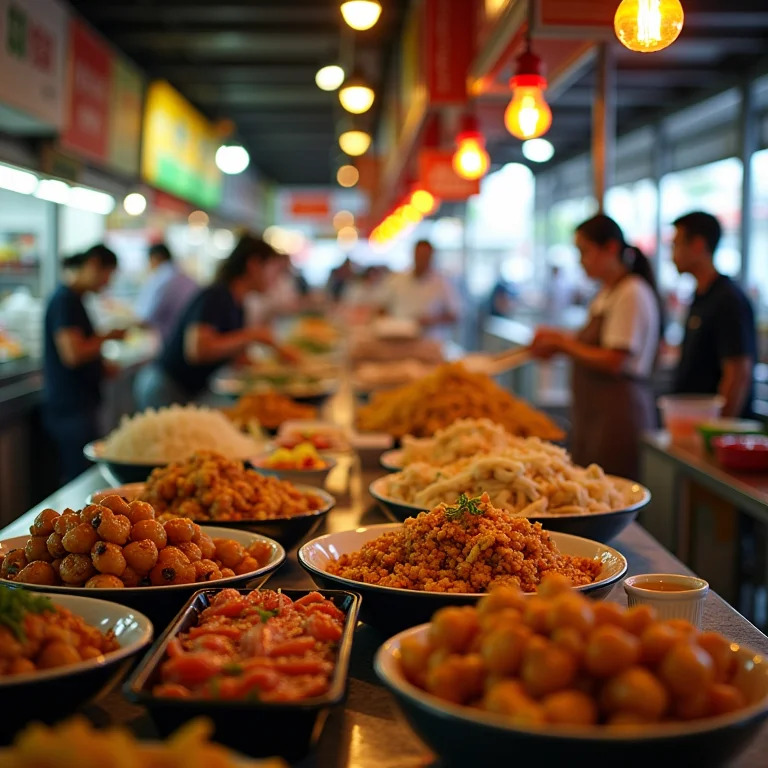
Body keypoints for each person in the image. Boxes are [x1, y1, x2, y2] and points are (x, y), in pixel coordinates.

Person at [531, 214, 662, 480]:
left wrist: (562, 344)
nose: (581, 261)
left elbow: (615, 360)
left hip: (618, 417)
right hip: (596, 414)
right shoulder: (607, 292)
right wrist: (555, 340)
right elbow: (589, 343)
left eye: (585, 252)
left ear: (611, 248)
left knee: (613, 492)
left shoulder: (632, 293)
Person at [134, 234, 297, 409]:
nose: (276, 279)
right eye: (274, 270)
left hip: (186, 389)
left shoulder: (237, 303)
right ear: (254, 265)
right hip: (166, 387)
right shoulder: (217, 296)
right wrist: (253, 336)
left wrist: (276, 371)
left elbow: (235, 358)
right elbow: (197, 350)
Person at [43, 244, 125, 482]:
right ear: (93, 265)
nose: (106, 284)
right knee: (79, 476)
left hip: (78, 404)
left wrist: (100, 366)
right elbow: (73, 353)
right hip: (71, 406)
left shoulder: (74, 299)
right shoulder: (64, 300)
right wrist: (107, 336)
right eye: (107, 276)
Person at [671, 211, 756, 417]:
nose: (671, 254)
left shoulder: (727, 299)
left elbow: (738, 373)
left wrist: (718, 430)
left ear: (698, 244)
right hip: (691, 419)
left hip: (711, 429)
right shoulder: (701, 295)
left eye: (676, 245)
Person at [376, 240, 460, 336]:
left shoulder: (442, 283)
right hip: (399, 338)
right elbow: (382, 308)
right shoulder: (397, 280)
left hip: (430, 340)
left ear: (431, 256)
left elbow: (455, 315)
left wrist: (432, 320)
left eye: (425, 255)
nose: (421, 259)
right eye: (419, 254)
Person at [134, 243, 198, 345]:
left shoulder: (161, 279)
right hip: (190, 341)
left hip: (169, 343)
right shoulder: (188, 279)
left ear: (155, 258)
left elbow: (145, 318)